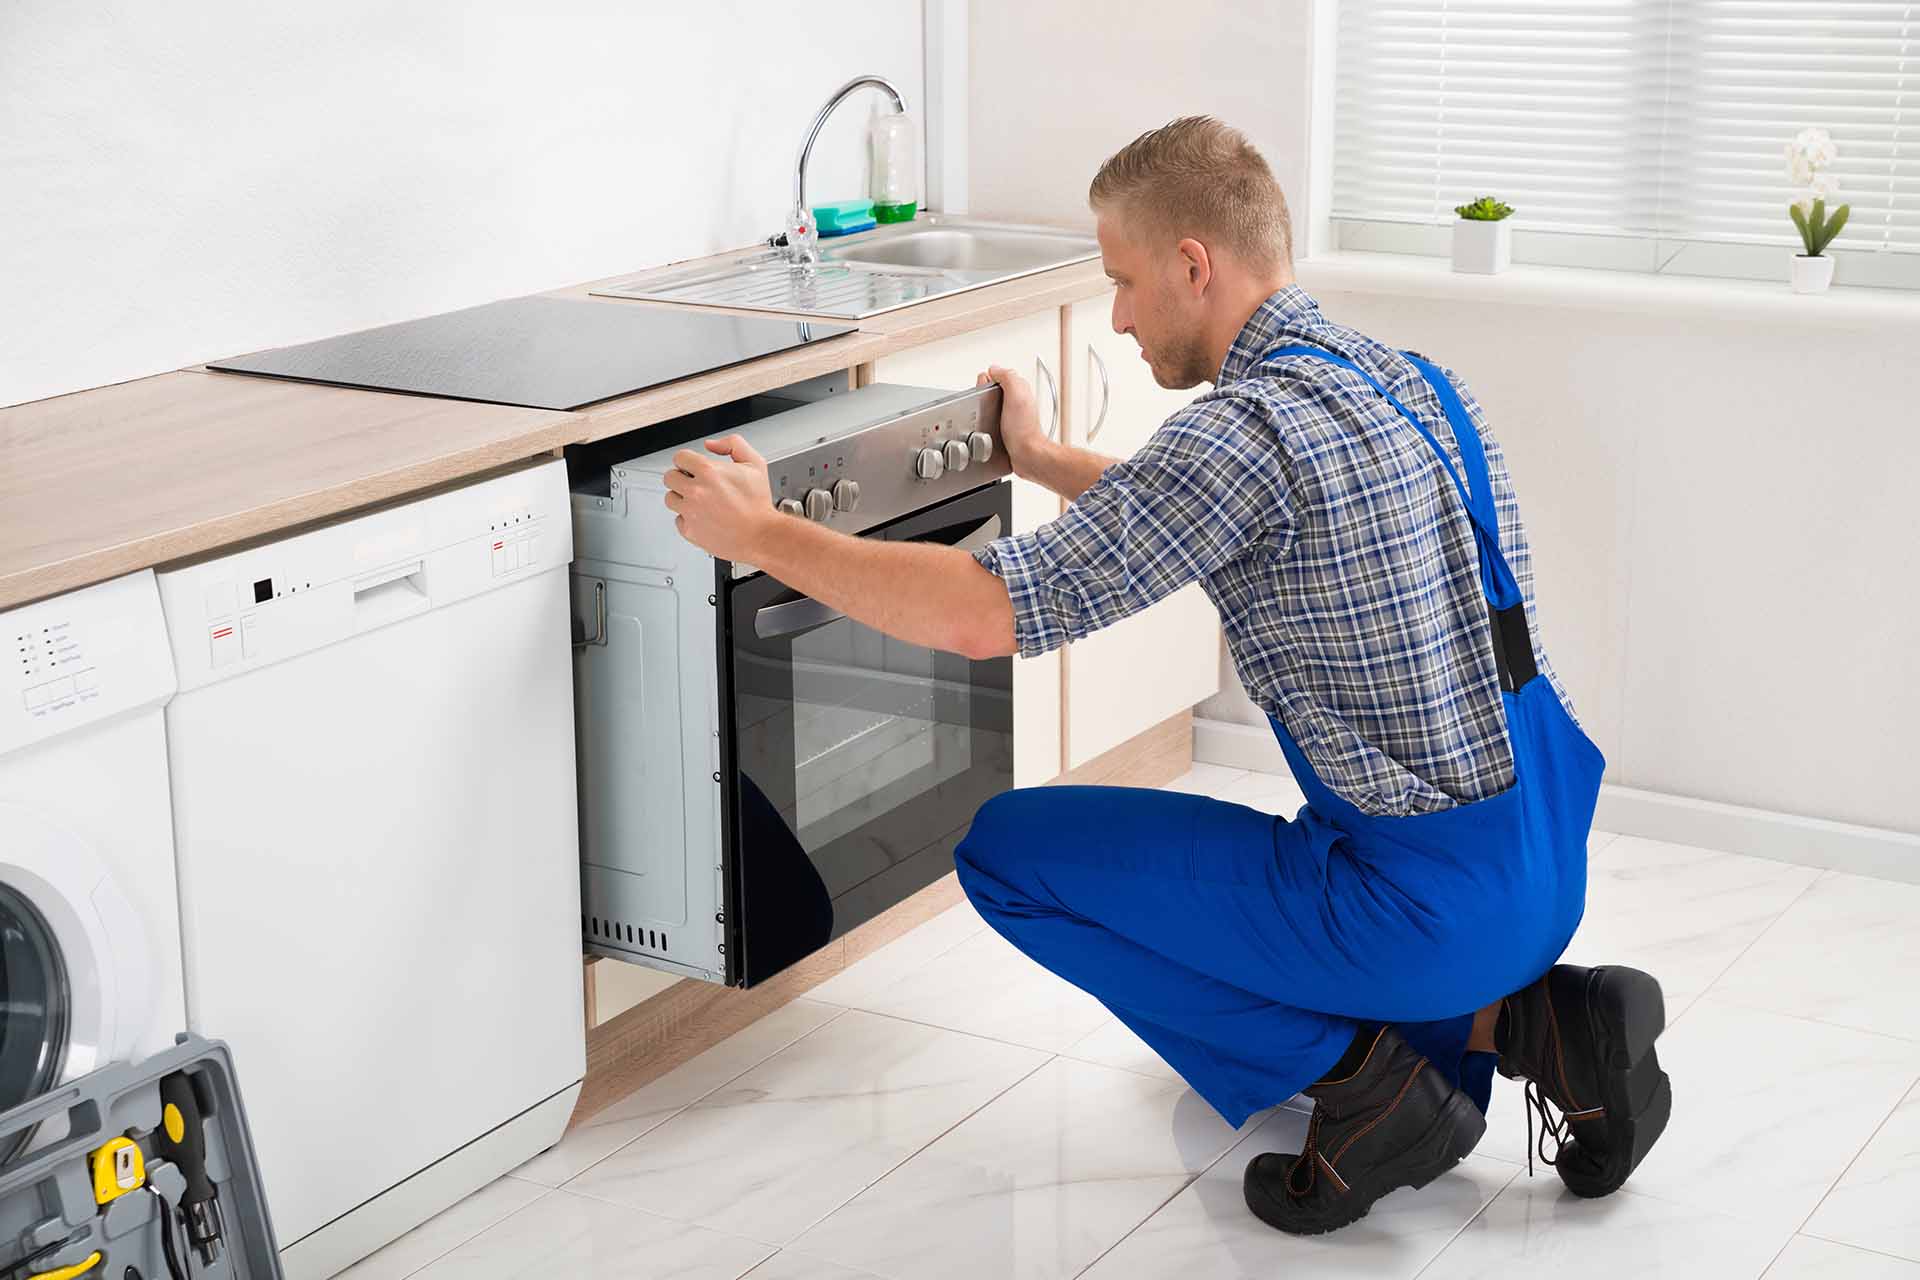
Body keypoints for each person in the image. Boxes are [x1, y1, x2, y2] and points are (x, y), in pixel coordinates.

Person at [662, 115, 1670, 1235]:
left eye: (1127, 280)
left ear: (1196, 263)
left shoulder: (1246, 432)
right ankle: (1540, 1024)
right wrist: (1039, 458)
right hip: (1540, 861)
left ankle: (1368, 1086)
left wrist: (762, 535)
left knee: (1009, 855)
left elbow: (981, 615)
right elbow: (1182, 513)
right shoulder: (1407, 381)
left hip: (1423, 907)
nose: (1120, 315)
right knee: (1268, 928)